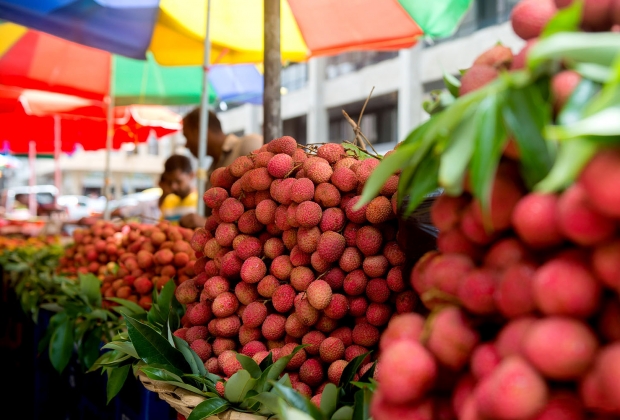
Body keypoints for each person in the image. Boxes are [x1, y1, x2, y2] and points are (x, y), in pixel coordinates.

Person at [179, 108, 263, 228]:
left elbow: (265, 203)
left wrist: (203, 222)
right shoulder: (210, 172)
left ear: (199, 130)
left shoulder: (248, 144)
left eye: (186, 136)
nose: (186, 145)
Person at [160, 154, 199, 224]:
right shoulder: (167, 201)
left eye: (178, 181)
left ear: (191, 175)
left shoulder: (201, 202)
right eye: (170, 182)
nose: (173, 186)